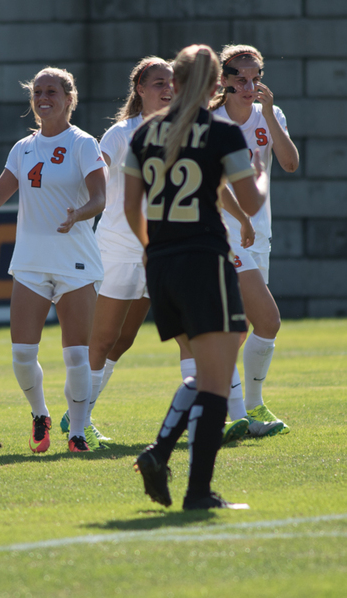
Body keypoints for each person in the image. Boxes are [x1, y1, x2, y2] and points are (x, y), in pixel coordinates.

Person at [124, 44, 267, 510]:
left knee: (206, 374)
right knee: (217, 383)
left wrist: (153, 252)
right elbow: (255, 199)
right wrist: (259, 173)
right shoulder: (220, 132)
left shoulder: (144, 133)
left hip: (161, 264)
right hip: (204, 260)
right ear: (213, 87)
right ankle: (198, 492)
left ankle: (160, 454)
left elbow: (131, 208)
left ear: (177, 83)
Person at [0, 66, 106, 454]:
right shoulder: (22, 148)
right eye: (37, 92)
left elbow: (101, 198)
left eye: (51, 91)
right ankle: (40, 414)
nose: (43, 98)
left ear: (69, 99)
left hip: (75, 262)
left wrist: (78, 214)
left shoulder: (83, 143)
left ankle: (79, 432)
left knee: (76, 356)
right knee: (21, 354)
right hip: (32, 262)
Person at [59, 57, 173, 449]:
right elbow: (95, 181)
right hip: (118, 247)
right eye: (158, 82)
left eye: (172, 82)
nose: (167, 88)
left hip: (156, 251)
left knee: (124, 339)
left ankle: (78, 410)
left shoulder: (181, 132)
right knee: (102, 338)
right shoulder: (120, 134)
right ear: (140, 89)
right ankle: (80, 418)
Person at [211, 44, 297, 435]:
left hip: (258, 234)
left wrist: (269, 117)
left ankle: (243, 408)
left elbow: (291, 163)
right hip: (223, 233)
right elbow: (210, 185)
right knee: (268, 320)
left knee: (248, 328)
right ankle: (243, 409)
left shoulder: (270, 114)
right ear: (224, 81)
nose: (249, 86)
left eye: (255, 79)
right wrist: (242, 218)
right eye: (240, 79)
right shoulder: (209, 121)